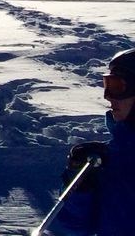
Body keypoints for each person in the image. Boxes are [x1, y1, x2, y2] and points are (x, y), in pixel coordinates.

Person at [50, 48, 135, 235]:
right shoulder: (110, 158)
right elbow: (73, 227)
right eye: (107, 84)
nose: (108, 96)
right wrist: (79, 184)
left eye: (117, 86)